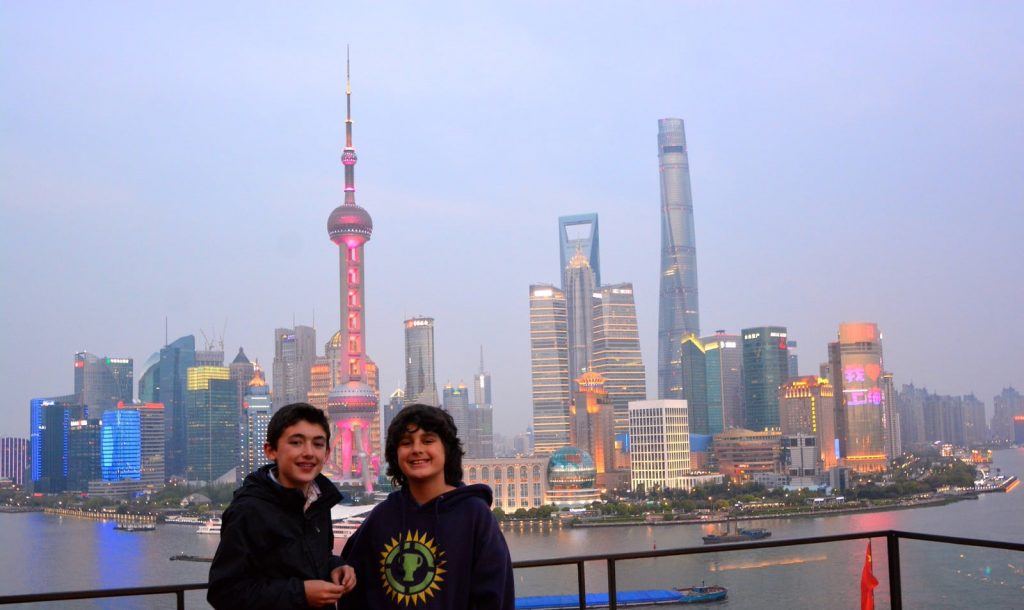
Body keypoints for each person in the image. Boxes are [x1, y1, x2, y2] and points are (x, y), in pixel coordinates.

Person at [339, 404, 515, 609]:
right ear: (395, 454)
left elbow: (495, 594)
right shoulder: (382, 516)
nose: (417, 449)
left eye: (428, 440)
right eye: (406, 443)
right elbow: (351, 583)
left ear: (447, 449)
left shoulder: (474, 515)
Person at [208, 402, 356, 609]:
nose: (309, 452)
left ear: (327, 453)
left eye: (318, 444)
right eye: (296, 443)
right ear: (271, 451)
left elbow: (311, 558)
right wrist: (301, 594)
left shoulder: (319, 502)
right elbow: (224, 592)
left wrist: (335, 566)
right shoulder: (248, 510)